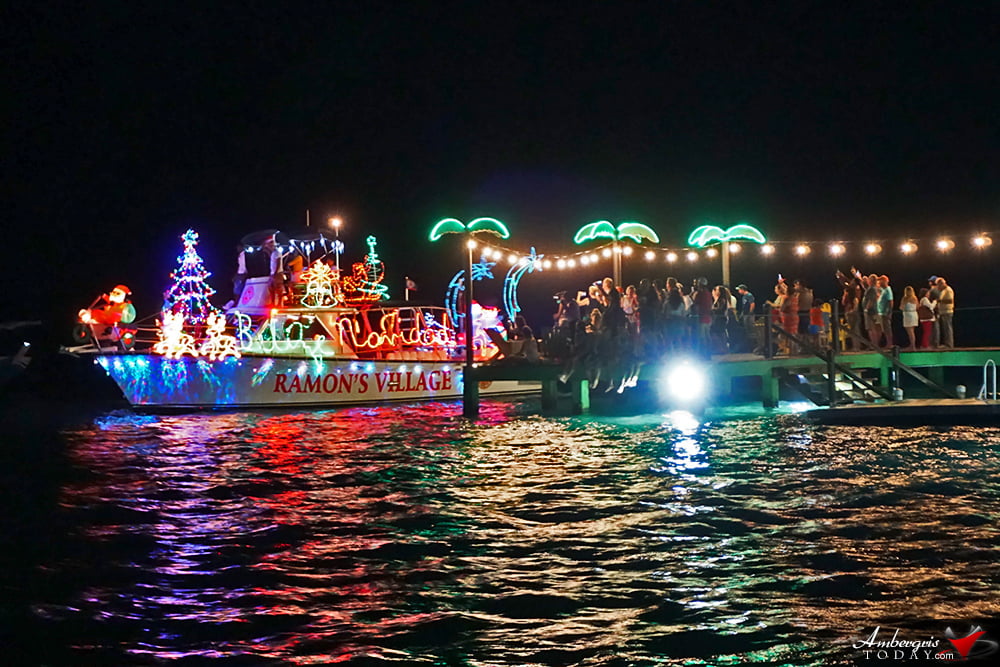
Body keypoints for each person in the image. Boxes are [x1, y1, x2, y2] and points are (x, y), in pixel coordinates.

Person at [936, 276, 955, 348]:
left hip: (947, 311)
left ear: (942, 284)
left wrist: (939, 301)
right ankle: (947, 343)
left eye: (938, 285)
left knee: (948, 328)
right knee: (945, 328)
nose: (938, 287)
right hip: (943, 312)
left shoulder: (948, 290)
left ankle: (949, 344)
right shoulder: (943, 291)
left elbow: (950, 300)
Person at [899, 285, 918, 350]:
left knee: (910, 332)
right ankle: (912, 345)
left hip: (908, 314)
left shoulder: (905, 298)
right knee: (912, 331)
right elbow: (917, 306)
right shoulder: (915, 298)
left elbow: (901, 307)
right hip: (914, 314)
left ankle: (913, 346)